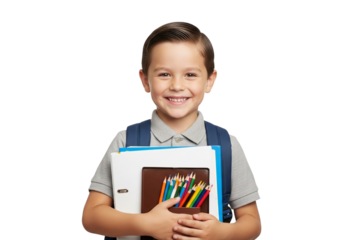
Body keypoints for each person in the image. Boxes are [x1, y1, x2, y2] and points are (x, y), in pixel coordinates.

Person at [81, 19, 262, 240]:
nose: (177, 85)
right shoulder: (125, 139)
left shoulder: (228, 144)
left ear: (210, 81)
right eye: (164, 74)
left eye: (190, 74)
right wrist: (144, 224)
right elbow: (90, 218)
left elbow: (252, 224)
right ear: (145, 81)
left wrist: (222, 232)